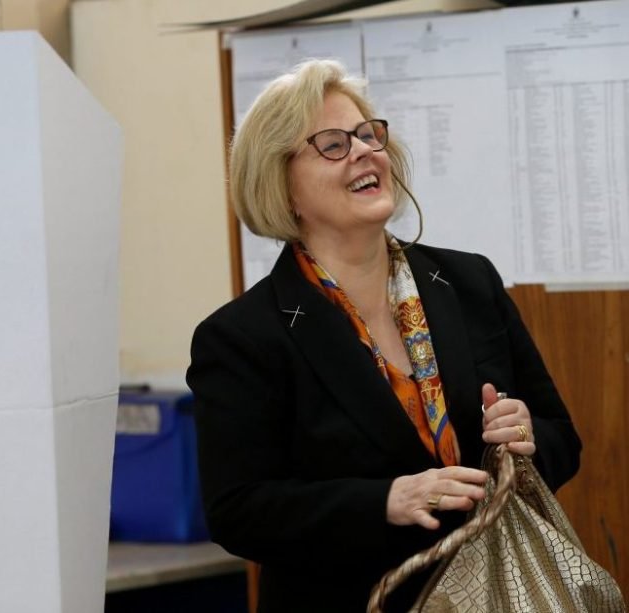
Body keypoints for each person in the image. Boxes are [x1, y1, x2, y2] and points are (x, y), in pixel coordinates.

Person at [186, 59, 581, 612]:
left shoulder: (469, 282)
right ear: (282, 187)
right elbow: (239, 511)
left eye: (368, 135)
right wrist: (385, 501)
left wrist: (529, 435)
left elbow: (564, 437)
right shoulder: (241, 338)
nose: (365, 151)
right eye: (332, 144)